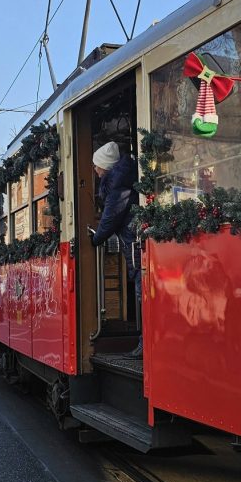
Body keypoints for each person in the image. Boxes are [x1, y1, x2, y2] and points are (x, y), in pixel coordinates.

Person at [88, 141, 142, 357]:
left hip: (134, 244)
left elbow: (110, 217)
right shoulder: (121, 179)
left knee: (141, 292)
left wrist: (95, 239)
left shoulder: (117, 185)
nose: (95, 169)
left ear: (105, 166)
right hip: (133, 241)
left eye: (97, 165)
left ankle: (145, 343)